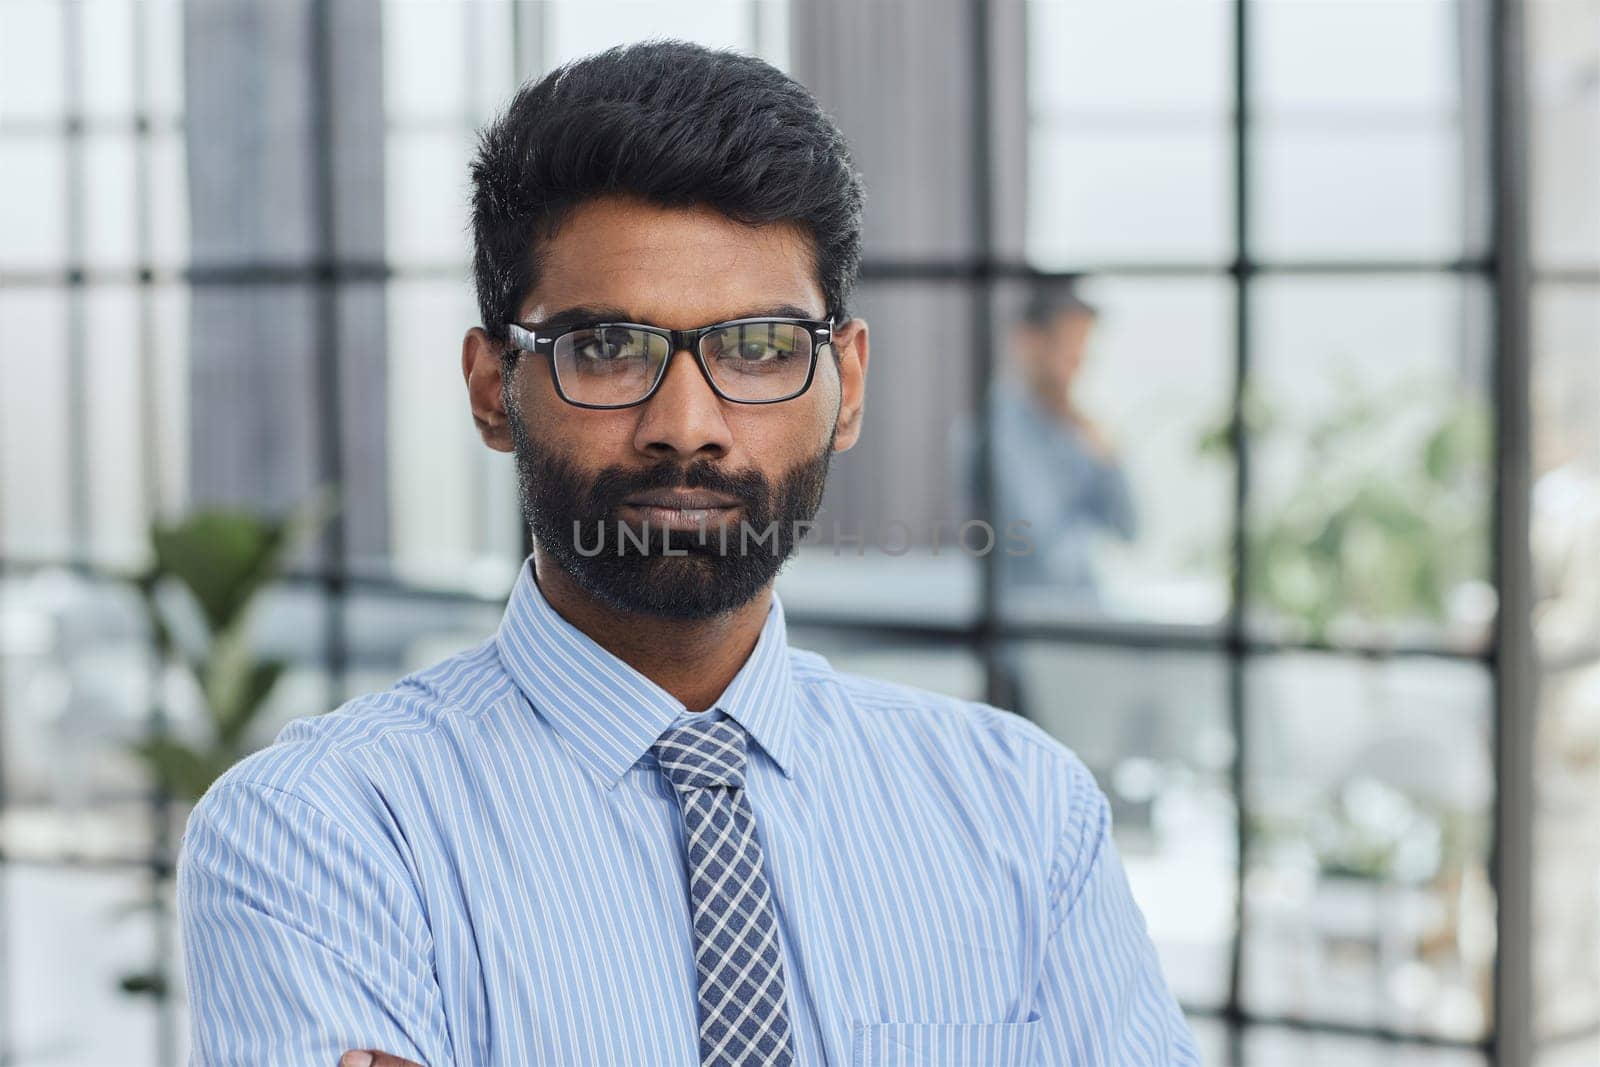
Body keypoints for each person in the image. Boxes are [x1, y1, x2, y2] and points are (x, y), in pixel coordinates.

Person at [177, 41, 1199, 1067]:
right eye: (607, 347)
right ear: (493, 387)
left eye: (757, 347)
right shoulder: (321, 833)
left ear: (845, 382)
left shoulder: (1022, 811)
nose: (686, 424)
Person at [949, 279, 1138, 608]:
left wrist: (1110, 459)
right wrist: (1091, 535)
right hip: (1022, 620)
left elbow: (1131, 529)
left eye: (1084, 349)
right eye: (1070, 347)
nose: (1079, 364)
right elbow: (1042, 545)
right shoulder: (993, 432)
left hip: (1082, 611)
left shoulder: (1078, 431)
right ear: (1029, 342)